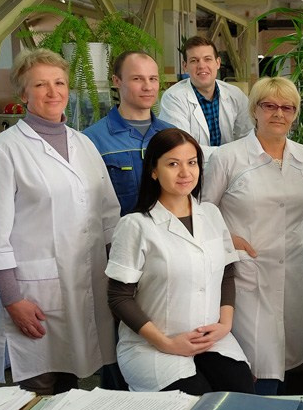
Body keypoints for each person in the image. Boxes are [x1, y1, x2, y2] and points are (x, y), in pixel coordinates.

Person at [0, 48, 120, 395]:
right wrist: (13, 300)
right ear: (23, 95)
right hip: (33, 293)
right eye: (40, 85)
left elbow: (108, 218)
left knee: (70, 384)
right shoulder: (4, 150)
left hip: (84, 284)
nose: (53, 92)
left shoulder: (84, 144)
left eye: (59, 83)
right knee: (38, 389)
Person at [105, 128, 254, 394]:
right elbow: (119, 297)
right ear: (154, 171)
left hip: (212, 337)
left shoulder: (211, 214)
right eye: (173, 164)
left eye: (192, 163)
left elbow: (227, 273)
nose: (185, 173)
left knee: (241, 394)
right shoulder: (135, 225)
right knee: (194, 404)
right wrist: (166, 343)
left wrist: (225, 324)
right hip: (153, 346)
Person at [203, 77, 303, 395]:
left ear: (295, 114)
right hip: (249, 274)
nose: (278, 113)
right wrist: (228, 239)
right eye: (269, 105)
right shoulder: (227, 157)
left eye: (287, 107)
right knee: (256, 364)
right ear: (254, 110)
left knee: (288, 358)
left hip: (296, 269)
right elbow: (204, 213)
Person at [84, 51, 175, 215]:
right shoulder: (92, 140)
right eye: (137, 79)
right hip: (119, 231)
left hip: (170, 229)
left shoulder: (173, 135)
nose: (148, 87)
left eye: (153, 79)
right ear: (116, 81)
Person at [158, 36, 253, 163]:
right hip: (192, 168)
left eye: (207, 59)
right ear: (185, 66)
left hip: (233, 167)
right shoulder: (173, 98)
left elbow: (249, 135)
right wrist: (231, 153)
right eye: (194, 61)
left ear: (218, 63)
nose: (202, 66)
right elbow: (180, 146)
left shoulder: (235, 94)